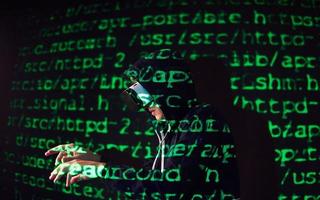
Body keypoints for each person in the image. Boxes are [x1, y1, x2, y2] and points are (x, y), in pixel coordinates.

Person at [45, 49, 241, 199]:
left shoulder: (204, 120)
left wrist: (98, 169)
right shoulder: (175, 128)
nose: (142, 105)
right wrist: (96, 158)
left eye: (143, 93)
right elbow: (152, 175)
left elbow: (171, 186)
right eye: (136, 95)